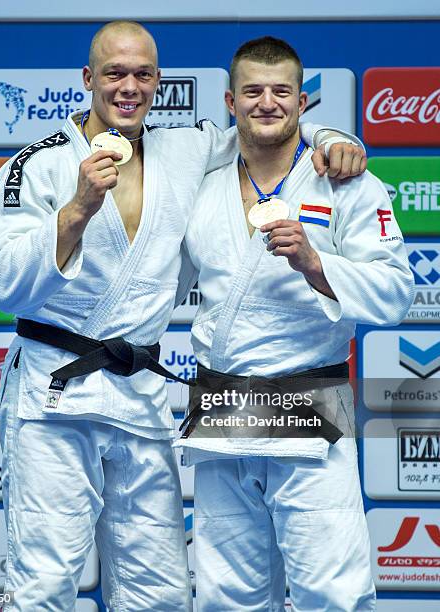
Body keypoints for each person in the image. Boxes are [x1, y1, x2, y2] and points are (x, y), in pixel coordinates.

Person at [0, 21, 367, 612]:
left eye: (142, 74)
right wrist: (79, 209)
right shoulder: (36, 163)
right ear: (89, 80)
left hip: (138, 398)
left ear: (159, 82)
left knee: (159, 591)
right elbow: (3, 282)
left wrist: (331, 135)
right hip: (54, 396)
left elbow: (265, 125)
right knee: (45, 584)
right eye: (114, 73)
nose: (129, 87)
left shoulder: (183, 149)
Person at [176, 37, 414, 611]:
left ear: (303, 103)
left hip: (310, 409)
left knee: (333, 594)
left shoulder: (346, 182)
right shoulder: (198, 188)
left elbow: (396, 293)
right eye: (253, 91)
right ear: (229, 102)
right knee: (225, 596)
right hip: (223, 409)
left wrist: (316, 263)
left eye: (281, 91)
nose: (267, 103)